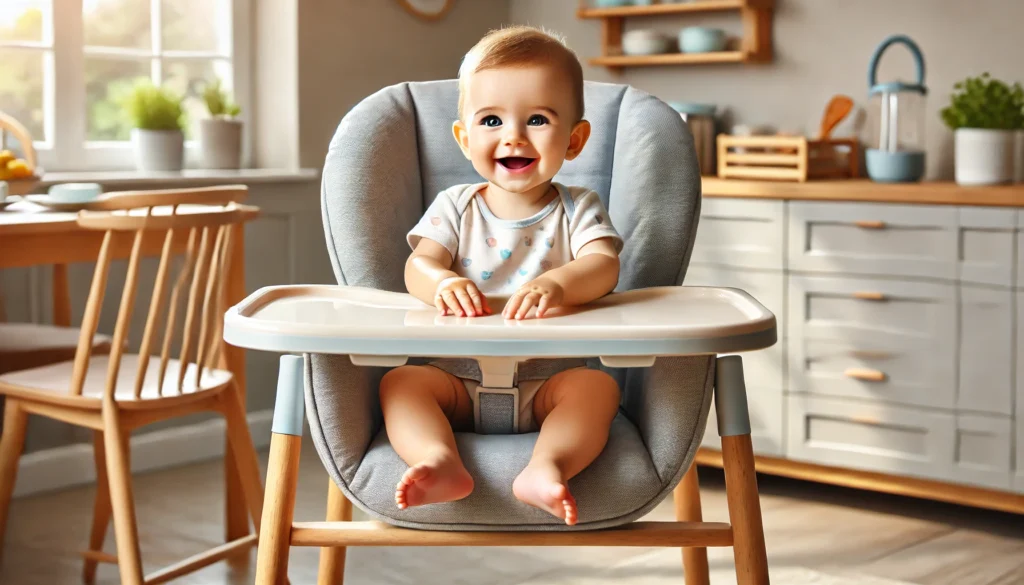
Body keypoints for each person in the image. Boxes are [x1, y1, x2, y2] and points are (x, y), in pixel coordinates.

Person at [379, 25, 623, 526]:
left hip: (548, 380)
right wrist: (443, 282)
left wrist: (558, 283)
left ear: (574, 140)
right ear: (465, 139)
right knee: (402, 383)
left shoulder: (579, 209)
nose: (513, 135)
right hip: (455, 379)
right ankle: (439, 460)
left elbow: (604, 266)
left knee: (597, 391)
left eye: (537, 119)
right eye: (491, 120)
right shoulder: (455, 207)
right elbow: (417, 265)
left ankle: (546, 467)